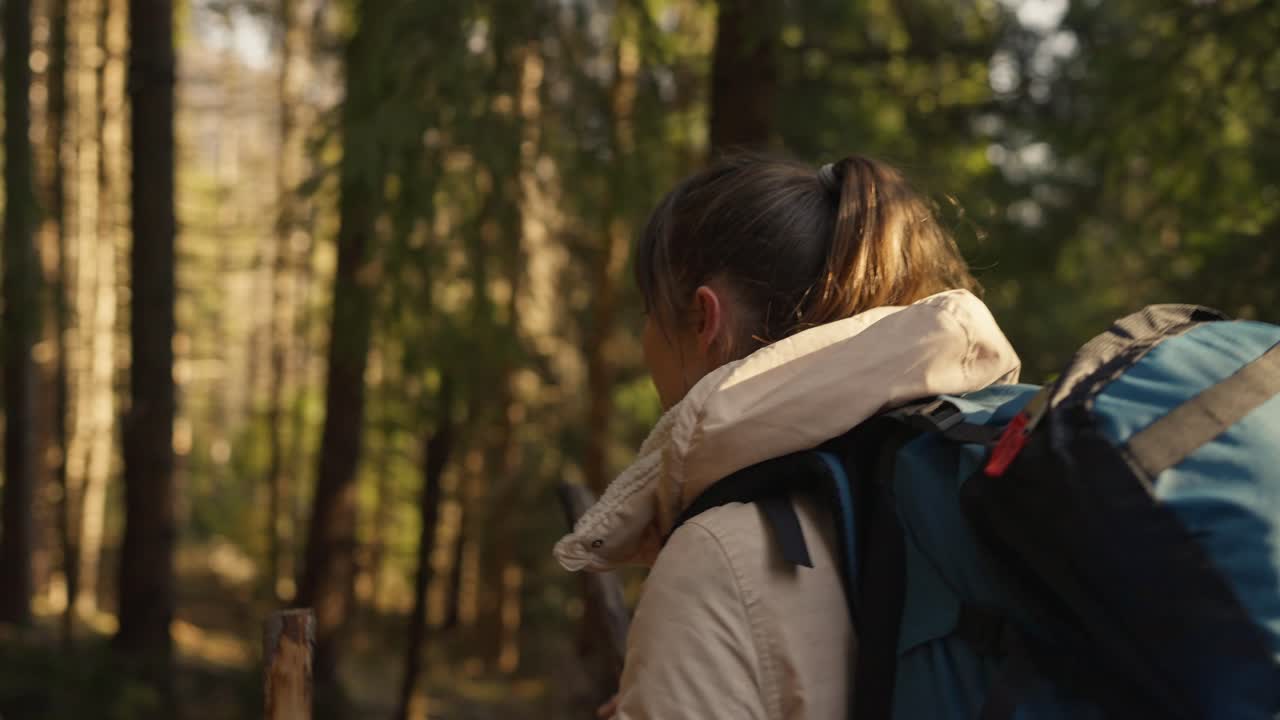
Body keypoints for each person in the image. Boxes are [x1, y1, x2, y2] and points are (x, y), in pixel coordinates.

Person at [554, 153, 1022, 719]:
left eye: (650, 312)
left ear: (705, 319)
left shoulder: (720, 555)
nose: (644, 339)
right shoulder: (955, 480)